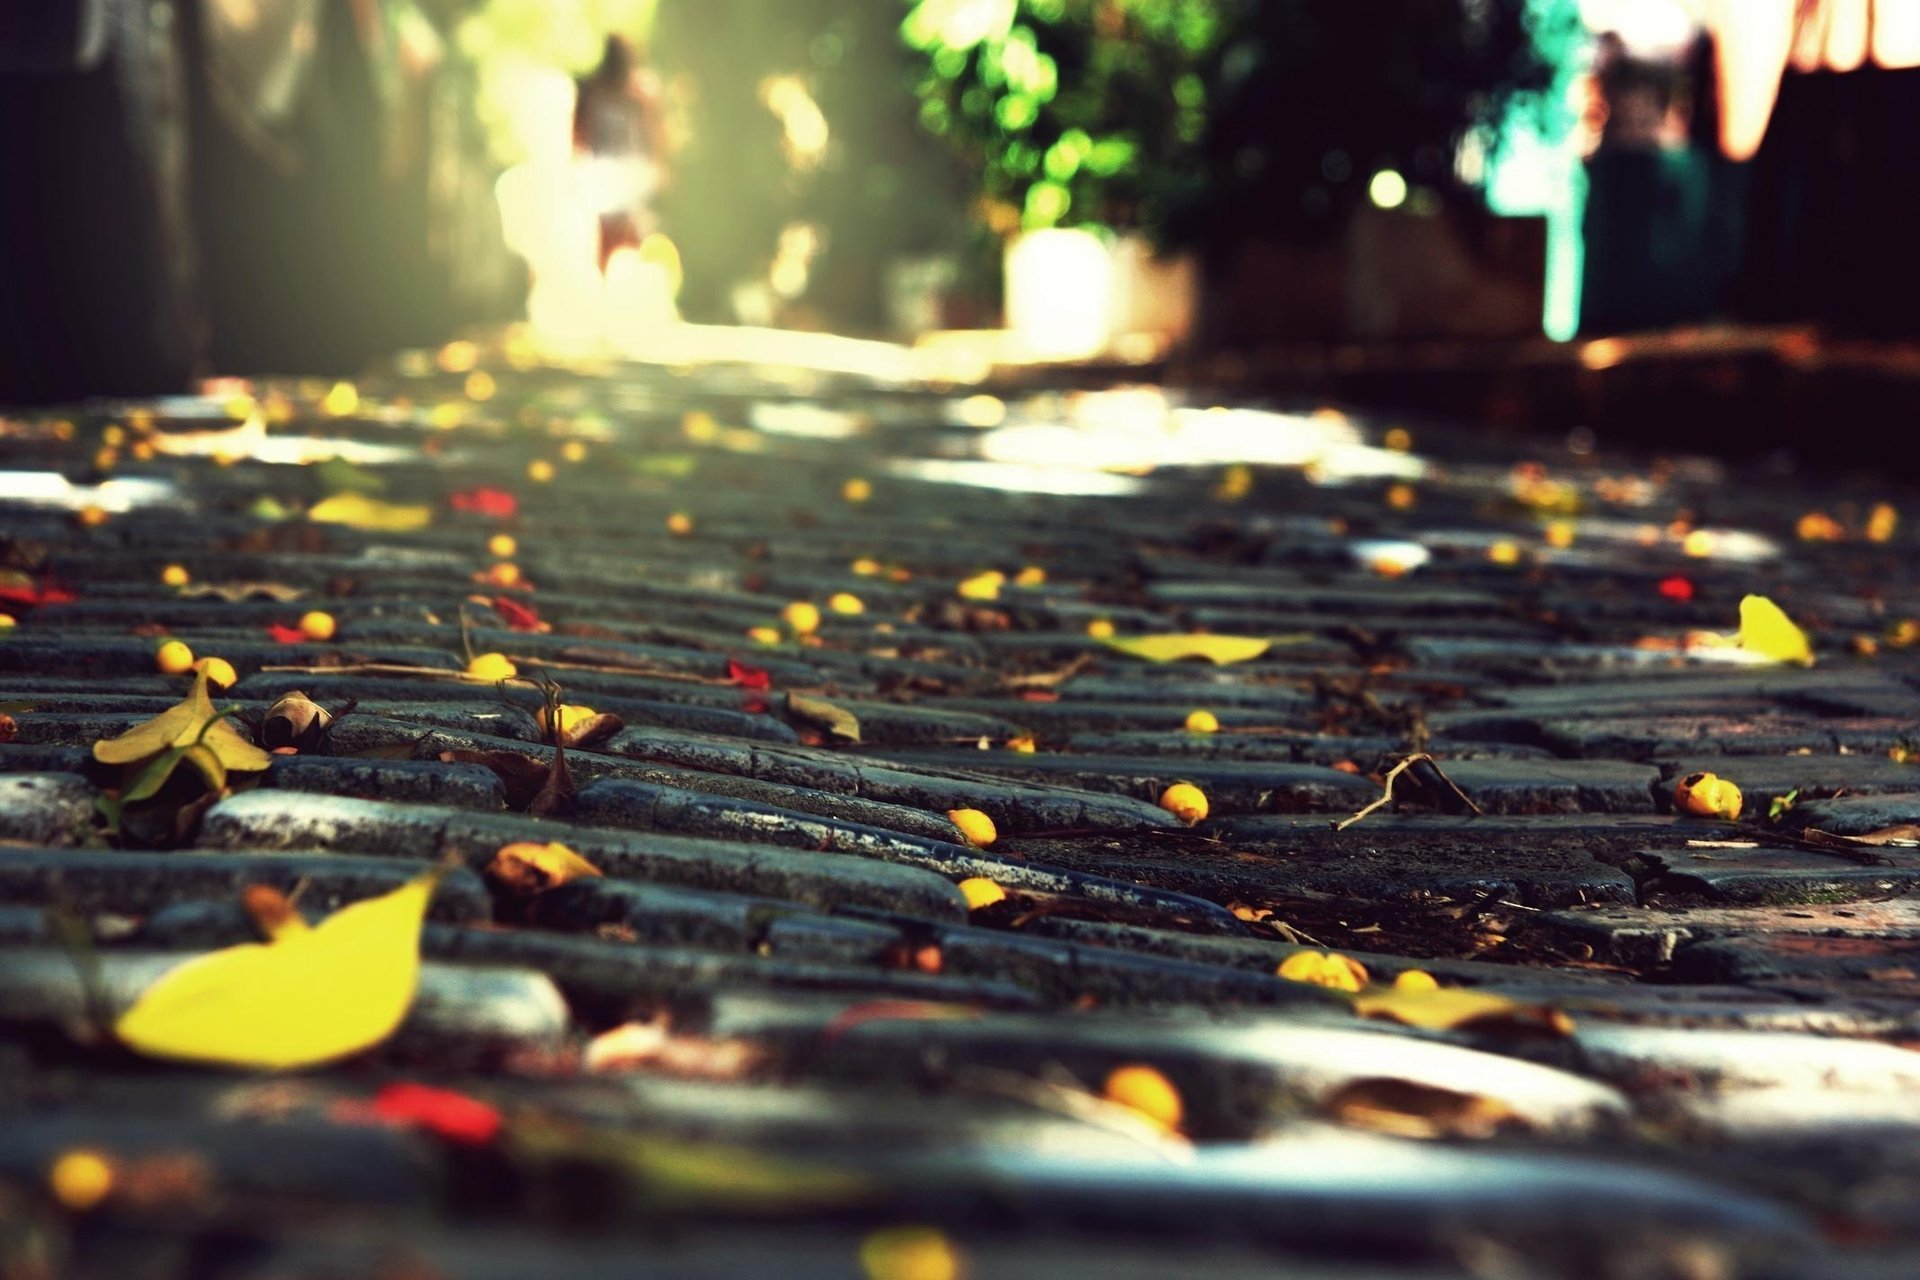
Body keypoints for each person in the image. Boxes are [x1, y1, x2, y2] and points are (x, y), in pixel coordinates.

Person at [572, 35, 666, 274]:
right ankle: (611, 279)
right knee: (617, 231)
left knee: (628, 231)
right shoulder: (596, 92)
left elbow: (652, 132)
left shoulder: (637, 92)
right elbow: (579, 135)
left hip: (626, 173)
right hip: (608, 173)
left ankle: (623, 279)